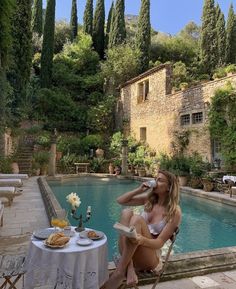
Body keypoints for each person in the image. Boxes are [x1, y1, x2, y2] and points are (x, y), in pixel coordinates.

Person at [102, 170, 181, 289]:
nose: (155, 182)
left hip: (149, 256)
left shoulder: (174, 212)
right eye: (155, 179)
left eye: (160, 180)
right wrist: (139, 190)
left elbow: (159, 243)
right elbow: (120, 201)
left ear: (169, 187)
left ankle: (119, 272)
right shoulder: (149, 199)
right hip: (131, 250)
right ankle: (128, 268)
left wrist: (141, 240)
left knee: (137, 219)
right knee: (126, 212)